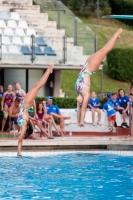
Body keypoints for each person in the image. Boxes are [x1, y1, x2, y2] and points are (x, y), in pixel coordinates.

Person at [75, 28, 123, 127]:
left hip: (86, 64)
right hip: (91, 68)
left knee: (103, 49)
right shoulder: (86, 93)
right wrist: (82, 122)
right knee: (105, 50)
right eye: (80, 102)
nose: (78, 102)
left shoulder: (77, 89)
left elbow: (79, 110)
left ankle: (116, 36)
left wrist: (78, 122)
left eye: (78, 102)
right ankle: (116, 35)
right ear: (83, 100)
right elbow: (82, 109)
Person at [17, 64, 54, 157]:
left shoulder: (24, 126)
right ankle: (48, 71)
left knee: (37, 86)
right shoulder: (25, 125)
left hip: (25, 104)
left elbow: (20, 139)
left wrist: (19, 152)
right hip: (26, 104)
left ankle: (49, 71)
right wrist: (19, 152)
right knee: (37, 86)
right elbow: (20, 139)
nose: (22, 133)